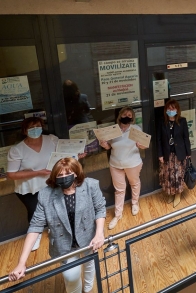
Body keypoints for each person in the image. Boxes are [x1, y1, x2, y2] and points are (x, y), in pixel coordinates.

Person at [8, 158, 106, 293]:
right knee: (71, 277)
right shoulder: (45, 195)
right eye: (60, 175)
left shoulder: (91, 186)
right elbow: (35, 226)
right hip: (64, 244)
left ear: (76, 173)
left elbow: (100, 208)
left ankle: (88, 289)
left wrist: (99, 233)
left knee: (90, 263)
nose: (64, 178)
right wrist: (21, 262)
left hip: (89, 237)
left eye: (68, 173)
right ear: (54, 176)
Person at [7, 117, 59, 251]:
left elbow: (63, 154)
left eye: (38, 126)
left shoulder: (51, 139)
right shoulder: (17, 150)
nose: (35, 129)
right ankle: (35, 236)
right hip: (28, 188)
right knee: (36, 213)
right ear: (24, 131)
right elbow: (11, 174)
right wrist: (37, 172)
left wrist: (77, 154)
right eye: (31, 127)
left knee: (54, 208)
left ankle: (55, 232)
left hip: (50, 184)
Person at [99, 107, 148, 230]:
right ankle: (117, 214)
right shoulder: (113, 130)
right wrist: (104, 144)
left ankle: (135, 203)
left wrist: (141, 145)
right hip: (116, 164)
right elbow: (108, 146)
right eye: (125, 114)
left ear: (132, 118)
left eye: (130, 115)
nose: (127, 116)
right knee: (119, 190)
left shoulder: (136, 129)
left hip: (132, 163)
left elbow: (143, 145)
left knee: (134, 183)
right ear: (120, 115)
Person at [157, 99, 191, 207]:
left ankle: (178, 194)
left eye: (173, 108)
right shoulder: (161, 122)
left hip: (179, 154)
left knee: (178, 175)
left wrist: (188, 152)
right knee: (168, 176)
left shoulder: (182, 121)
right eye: (169, 108)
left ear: (177, 110)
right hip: (167, 154)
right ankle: (171, 193)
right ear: (166, 110)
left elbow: (186, 138)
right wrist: (160, 154)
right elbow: (158, 140)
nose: (171, 110)